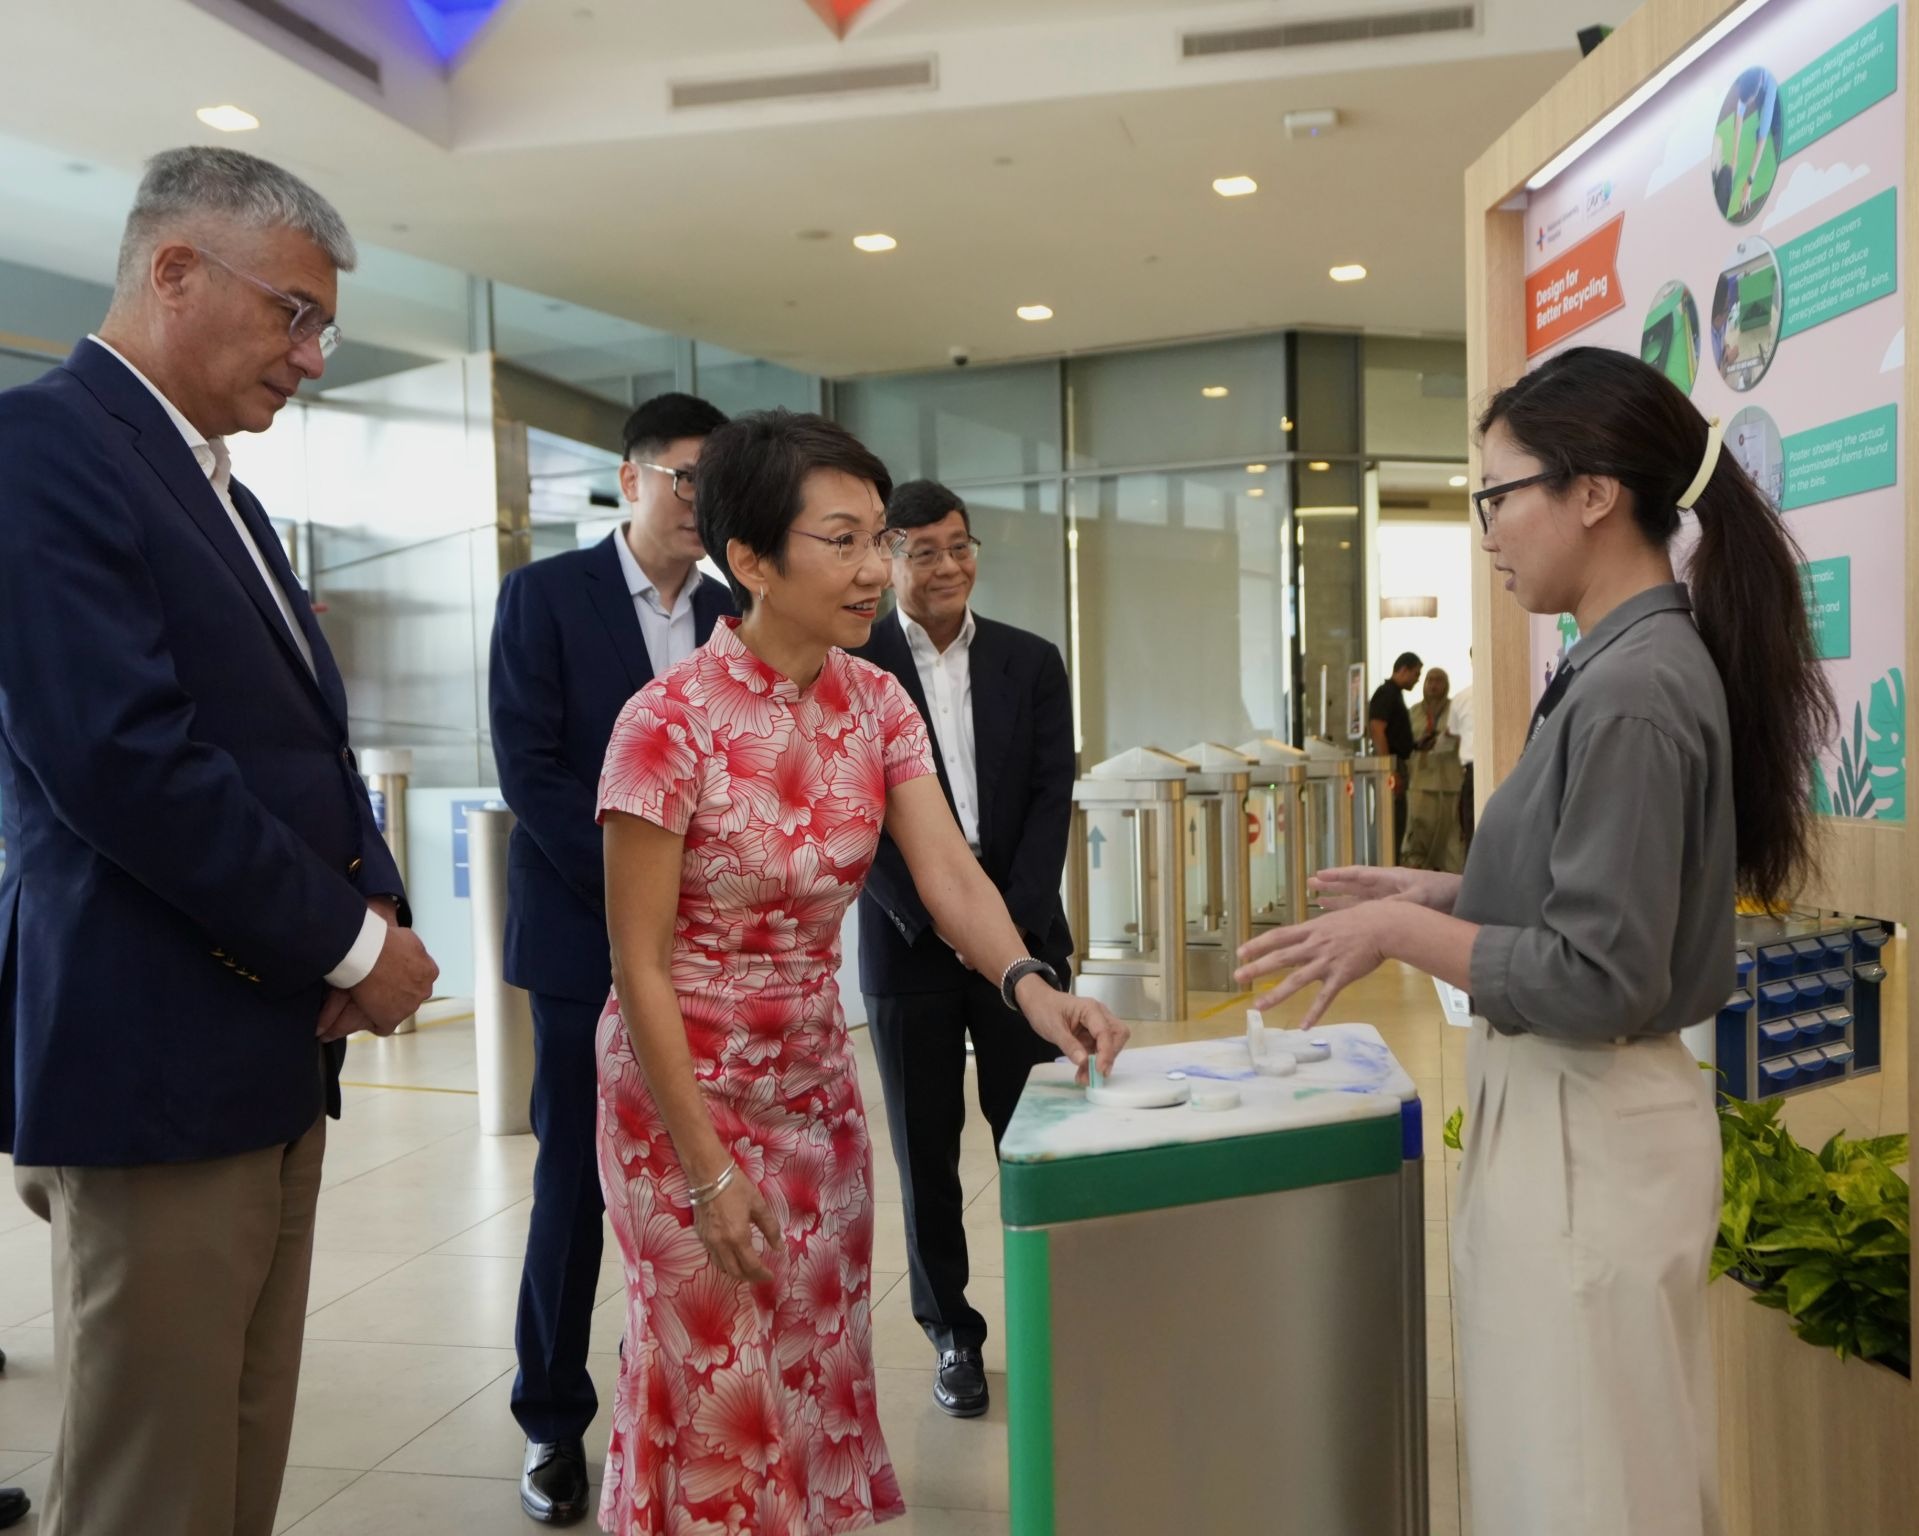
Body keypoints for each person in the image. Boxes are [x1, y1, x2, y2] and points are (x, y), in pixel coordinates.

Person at [1236, 345, 1833, 1536]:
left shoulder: (1632, 687)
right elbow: (1595, 902)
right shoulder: (1619, 661)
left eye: (1497, 496)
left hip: (1586, 1128)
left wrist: (1405, 927)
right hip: (1580, 1125)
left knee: (1583, 1489)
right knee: (1590, 1471)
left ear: (1594, 492)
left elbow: (1598, 975)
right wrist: (1453, 891)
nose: (1488, 531)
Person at [0, 146, 439, 1536]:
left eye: (320, 327)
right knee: (150, 1480)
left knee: (234, 1469)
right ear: (175, 271)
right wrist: (356, 938)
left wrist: (366, 915)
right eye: (291, 314)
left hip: (257, 1054)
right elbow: (124, 764)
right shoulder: (42, 451)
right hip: (154, 1054)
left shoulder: (224, 493)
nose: (309, 357)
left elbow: (285, 745)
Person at [594, 410, 1128, 1534]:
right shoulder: (664, 724)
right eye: (842, 541)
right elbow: (636, 964)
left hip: (813, 1092)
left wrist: (1033, 986)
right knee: (712, 1393)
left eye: (878, 538)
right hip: (677, 1102)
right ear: (748, 559)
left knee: (812, 1364)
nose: (876, 569)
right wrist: (701, 1170)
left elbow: (949, 880)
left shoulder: (874, 704)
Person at [490, 392, 735, 1524]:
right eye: (686, 476)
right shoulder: (542, 598)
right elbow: (532, 774)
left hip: (709, 957)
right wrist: (646, 889)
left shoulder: (739, 611)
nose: (701, 500)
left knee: (697, 1179)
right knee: (576, 1187)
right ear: (629, 478)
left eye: (716, 480)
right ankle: (550, 1420)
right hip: (584, 943)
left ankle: (677, 1400)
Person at [852, 480, 1075, 1419]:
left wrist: (1005, 926)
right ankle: (952, 1331)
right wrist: (939, 918)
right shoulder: (853, 662)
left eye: (959, 546)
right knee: (925, 1149)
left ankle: (1055, 1313)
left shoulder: (1031, 659)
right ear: (887, 557)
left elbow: (1048, 795)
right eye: (923, 551)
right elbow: (854, 813)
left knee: (1036, 1135)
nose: (947, 566)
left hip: (1019, 926)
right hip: (906, 936)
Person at [1398, 667, 1464, 874]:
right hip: (1421, 784)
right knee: (1417, 840)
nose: (1434, 685)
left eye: (1439, 681)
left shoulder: (1456, 709)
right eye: (1429, 680)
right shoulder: (1413, 713)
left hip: (1451, 784)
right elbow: (1405, 743)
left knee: (1452, 844)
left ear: (1446, 684)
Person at [1367, 652, 1421, 858]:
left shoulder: (1395, 694)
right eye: (1415, 674)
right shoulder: (1386, 693)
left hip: (1396, 762)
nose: (1417, 680)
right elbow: (1377, 729)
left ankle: (1391, 861)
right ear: (1403, 669)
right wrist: (1388, 769)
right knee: (1390, 822)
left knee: (1396, 822)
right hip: (1391, 764)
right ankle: (1386, 865)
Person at [1451, 671, 1476, 853]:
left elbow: (1455, 734)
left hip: (1472, 770)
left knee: (1471, 828)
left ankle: (1473, 878)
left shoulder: (1461, 698)